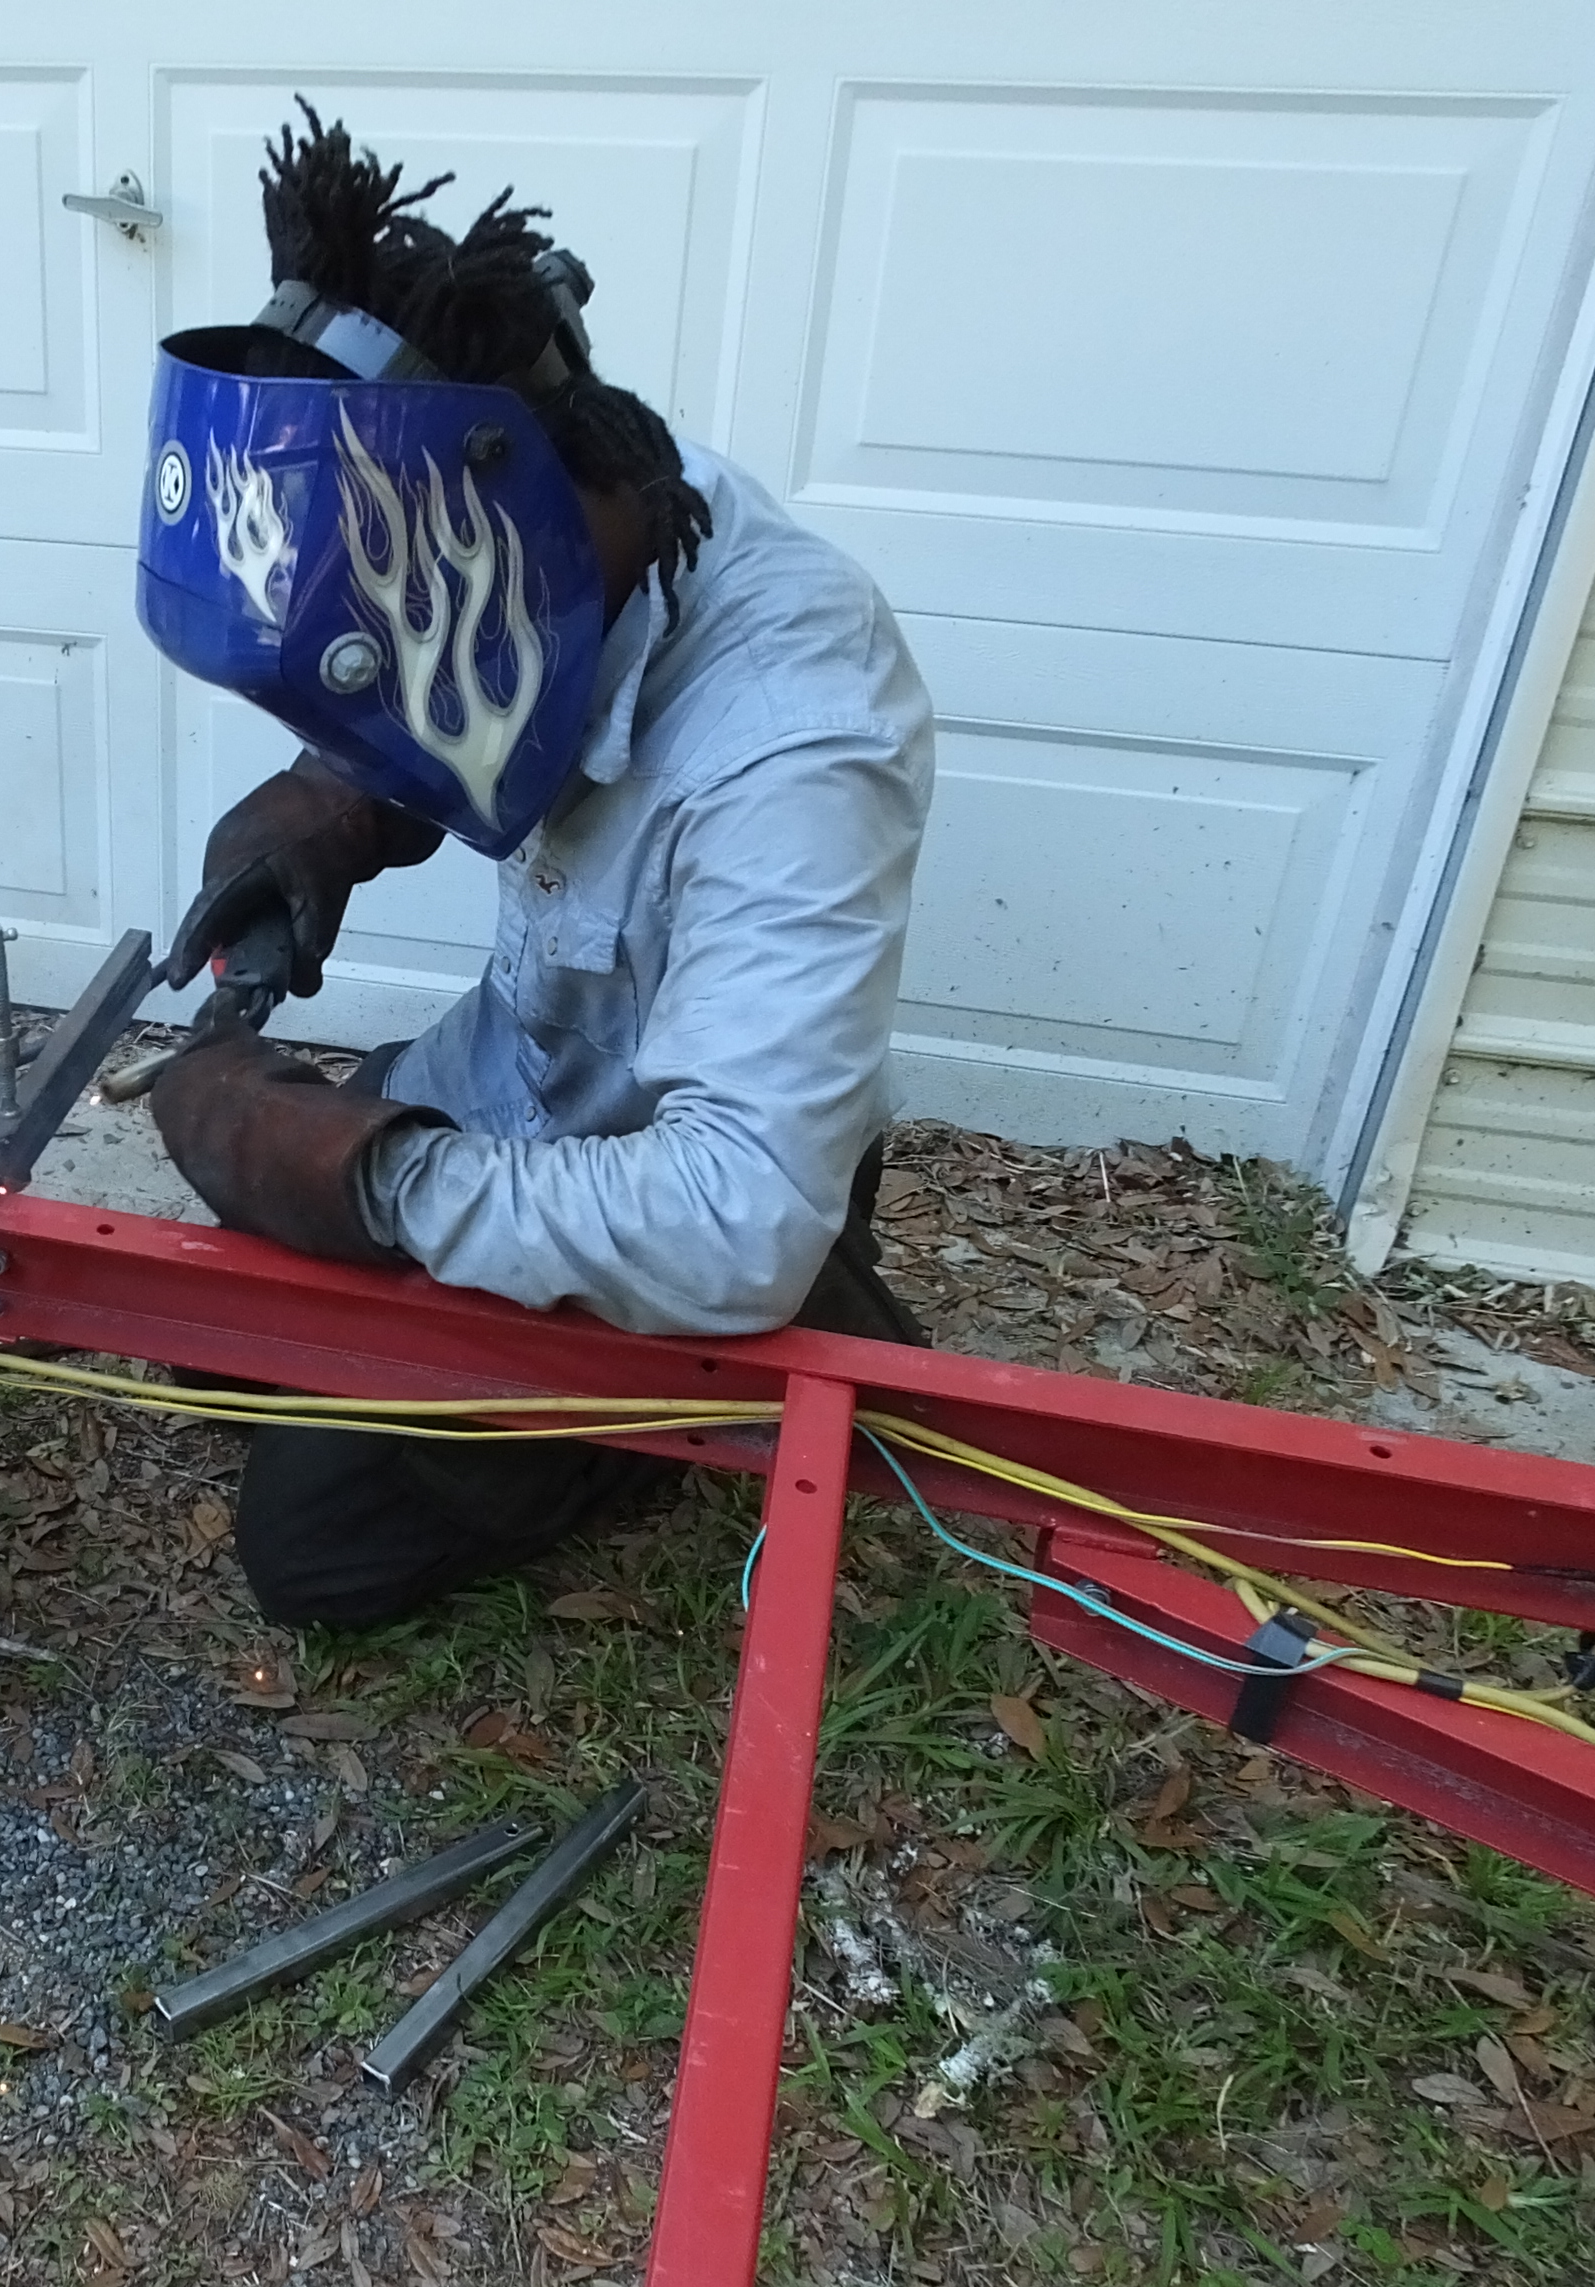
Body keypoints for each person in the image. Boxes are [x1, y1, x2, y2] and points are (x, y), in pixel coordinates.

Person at [136, 108, 932, 1628]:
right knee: (227, 1338)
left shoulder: (797, 745)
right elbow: (448, 674)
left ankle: (720, 1385)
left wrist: (375, 1173)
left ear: (505, 556)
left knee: (313, 1545)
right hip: (532, 1061)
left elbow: (738, 1210)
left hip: (701, 1171)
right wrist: (332, 803)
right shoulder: (579, 488)